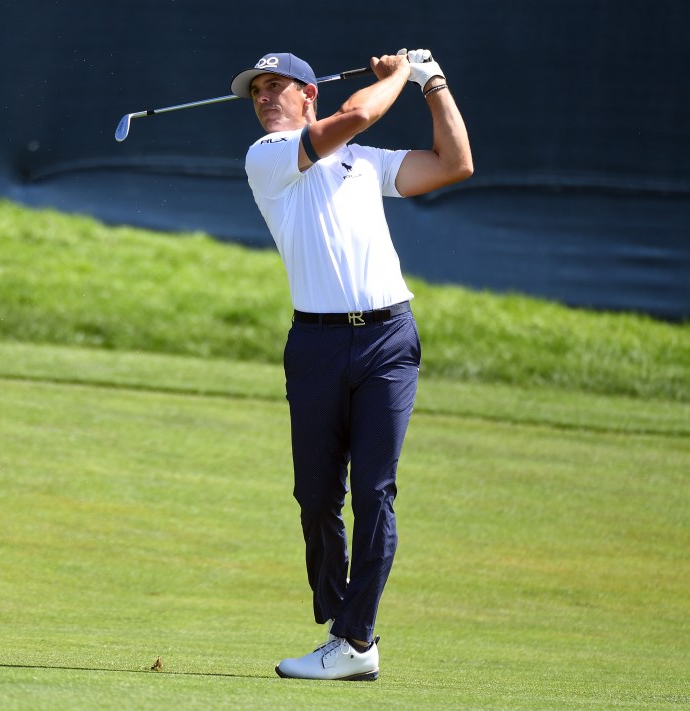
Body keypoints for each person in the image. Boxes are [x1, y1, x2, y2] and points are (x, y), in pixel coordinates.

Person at [229, 48, 473, 681]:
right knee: (316, 498)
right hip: (315, 345)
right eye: (256, 90)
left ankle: (355, 639)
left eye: (276, 86)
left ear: (308, 92)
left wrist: (432, 83)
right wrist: (396, 77)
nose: (263, 97)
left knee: (375, 490)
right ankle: (343, 627)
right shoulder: (269, 157)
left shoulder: (365, 163)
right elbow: (355, 115)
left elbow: (455, 163)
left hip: (389, 340)